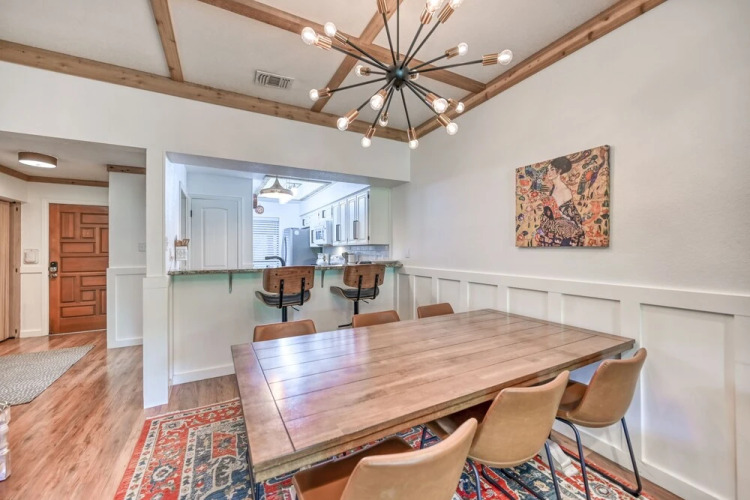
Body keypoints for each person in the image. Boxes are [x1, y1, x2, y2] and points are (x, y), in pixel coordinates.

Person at [535, 156, 585, 246]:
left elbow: (572, 220)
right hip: (550, 233)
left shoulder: (565, 191)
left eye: (552, 169)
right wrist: (540, 230)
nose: (549, 172)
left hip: (563, 237)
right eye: (548, 170)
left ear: (559, 171)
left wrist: (557, 215)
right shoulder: (553, 189)